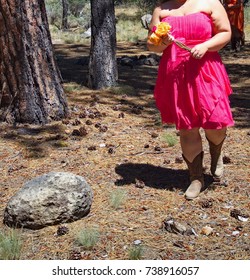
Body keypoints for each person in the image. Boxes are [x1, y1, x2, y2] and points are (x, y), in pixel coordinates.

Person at [147, 0, 234, 200]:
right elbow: (152, 44)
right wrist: (163, 42)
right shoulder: (161, 9)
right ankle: (196, 177)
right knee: (188, 127)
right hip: (176, 73)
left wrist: (206, 46)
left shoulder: (210, 3)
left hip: (206, 69)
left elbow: (225, 32)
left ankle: (216, 152)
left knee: (216, 122)